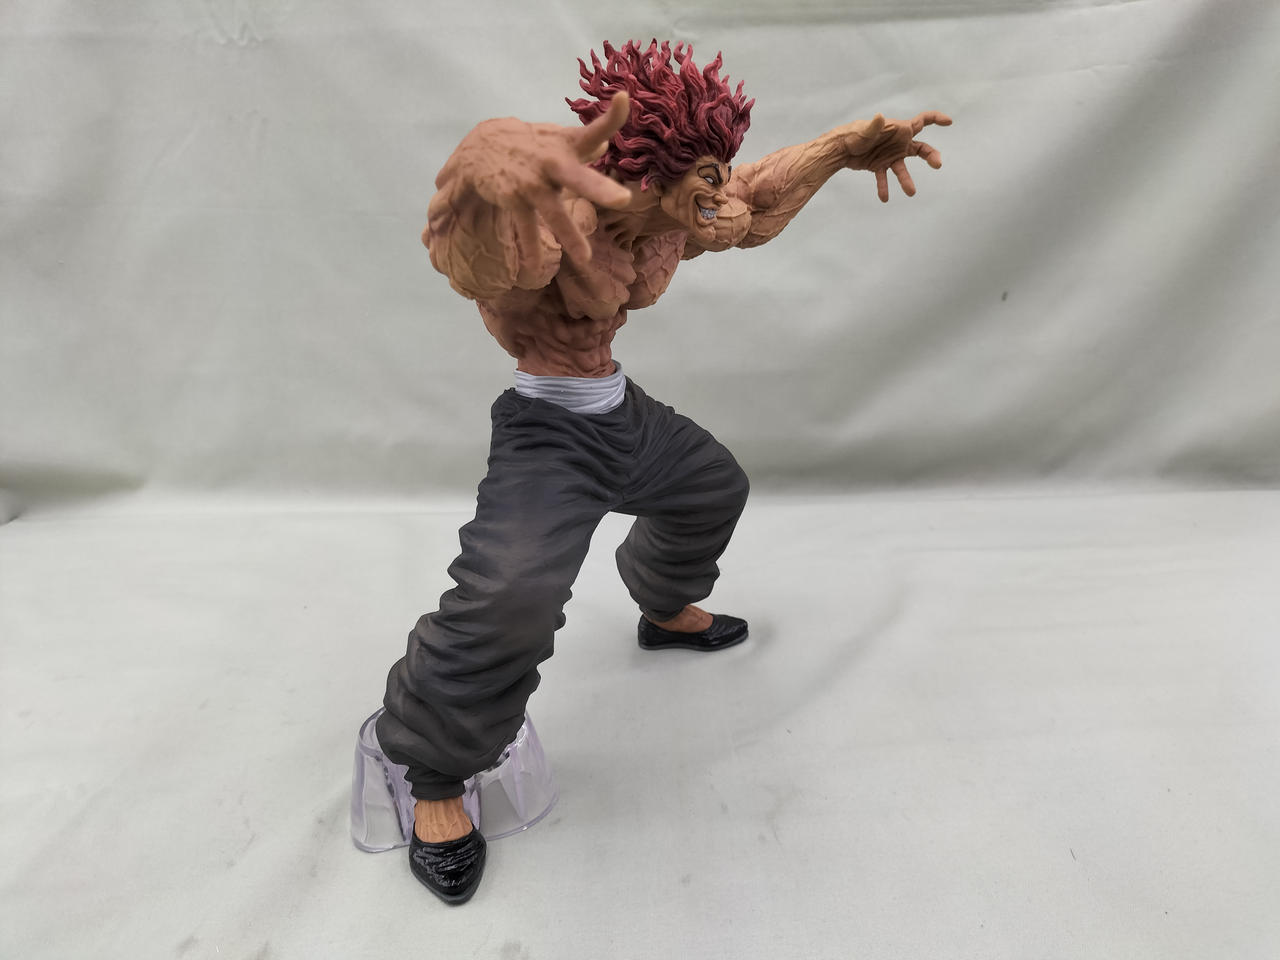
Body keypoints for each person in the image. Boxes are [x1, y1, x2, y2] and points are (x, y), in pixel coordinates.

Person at [377, 39, 950, 904]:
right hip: (548, 432)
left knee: (713, 487)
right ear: (645, 173)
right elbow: (474, 257)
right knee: (514, 595)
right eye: (704, 179)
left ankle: (664, 607)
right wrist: (485, 161)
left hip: (622, 414)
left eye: (716, 173)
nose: (720, 196)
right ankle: (432, 776)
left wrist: (841, 149)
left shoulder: (680, 211)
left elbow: (757, 201)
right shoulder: (557, 227)